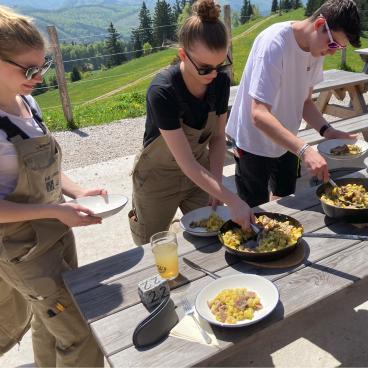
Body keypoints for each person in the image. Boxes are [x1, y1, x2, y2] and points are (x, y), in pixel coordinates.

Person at [0, 6, 104, 367]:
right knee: (81, 334)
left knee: (49, 323)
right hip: (22, 249)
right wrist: (53, 210)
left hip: (56, 232)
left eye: (41, 67)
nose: (38, 77)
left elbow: (45, 167)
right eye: (28, 69)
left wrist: (76, 192)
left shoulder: (27, 102)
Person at [129, 0, 253, 246]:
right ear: (183, 55)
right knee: (152, 246)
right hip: (157, 179)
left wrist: (216, 183)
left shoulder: (219, 82)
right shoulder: (162, 90)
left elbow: (218, 137)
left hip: (200, 170)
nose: (215, 75)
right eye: (206, 68)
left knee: (214, 236)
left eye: (222, 65)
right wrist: (232, 199)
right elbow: (184, 162)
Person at [226, 0, 361, 208]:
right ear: (319, 25)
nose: (333, 51)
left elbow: (304, 101)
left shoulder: (317, 49)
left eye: (340, 47)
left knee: (286, 199)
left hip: (288, 141)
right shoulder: (274, 44)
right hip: (253, 143)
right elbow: (258, 114)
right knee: (254, 211)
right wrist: (305, 150)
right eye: (333, 44)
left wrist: (328, 131)